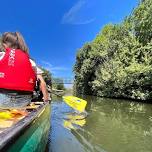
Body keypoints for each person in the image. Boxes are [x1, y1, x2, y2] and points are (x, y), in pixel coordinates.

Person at [0, 32, 49, 109]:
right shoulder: (31, 61)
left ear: (4, 44)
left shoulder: (1, 55)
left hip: (2, 99)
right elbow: (42, 83)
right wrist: (46, 101)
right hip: (24, 101)